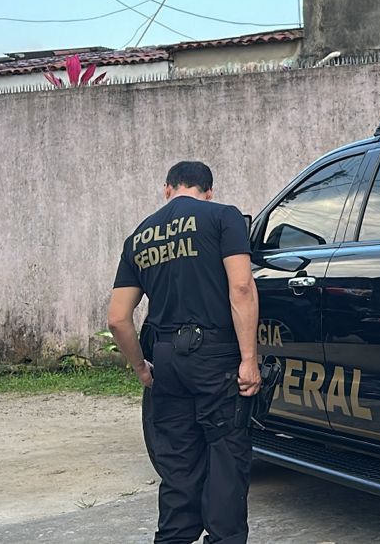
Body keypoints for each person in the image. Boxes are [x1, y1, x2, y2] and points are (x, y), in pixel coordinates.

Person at [107, 161, 261, 544]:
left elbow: (118, 319)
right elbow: (242, 288)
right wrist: (248, 359)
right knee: (225, 460)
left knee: (178, 466)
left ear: (167, 189)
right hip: (216, 358)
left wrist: (141, 367)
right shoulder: (223, 217)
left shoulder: (140, 237)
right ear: (208, 192)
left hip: (166, 360)